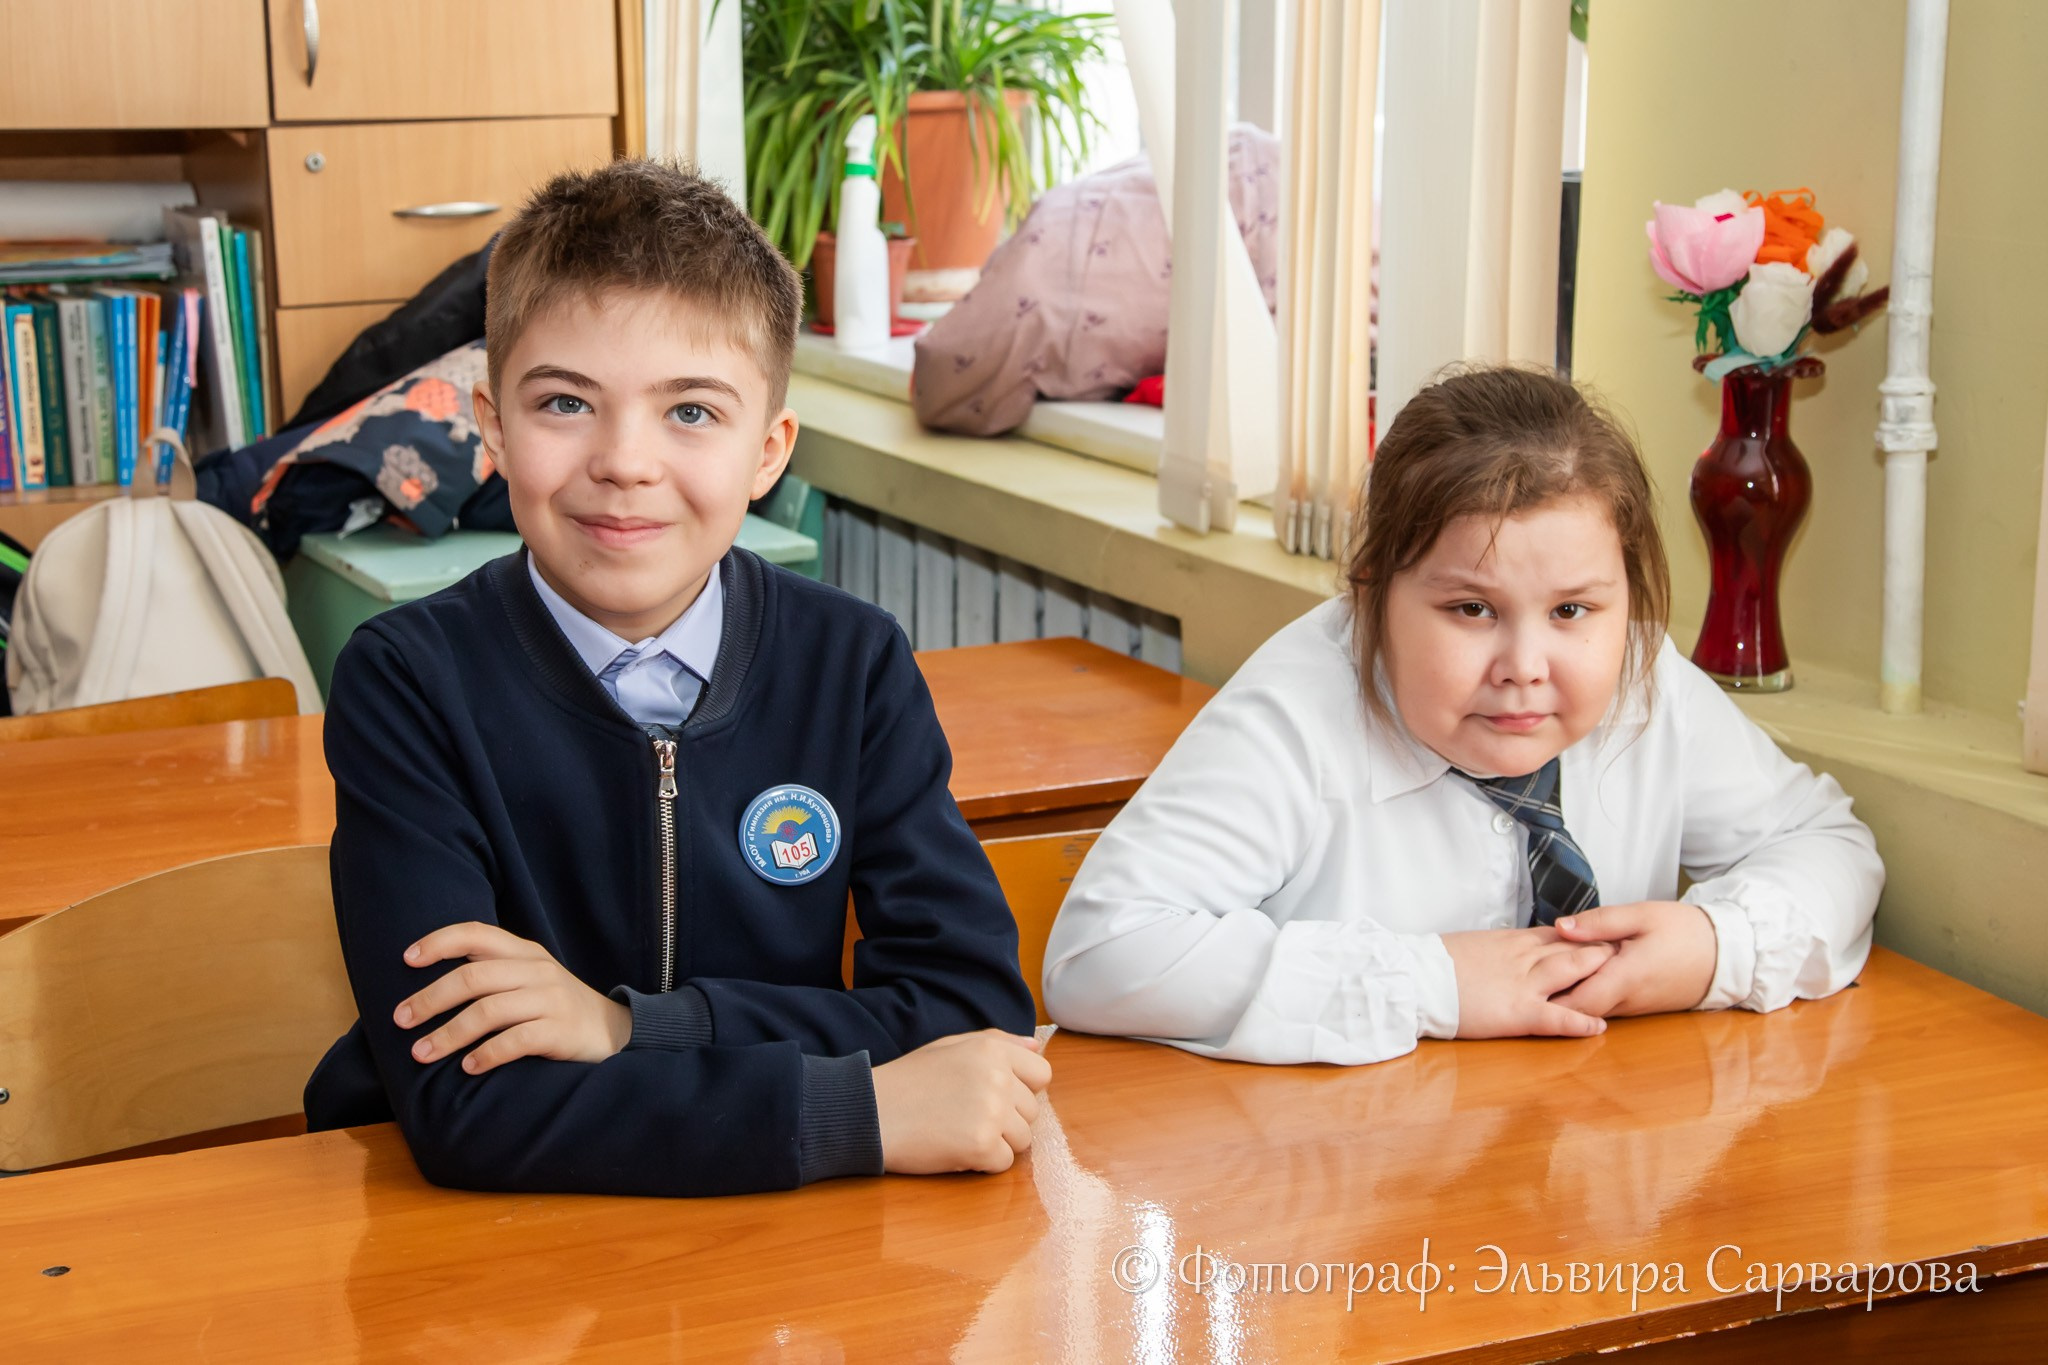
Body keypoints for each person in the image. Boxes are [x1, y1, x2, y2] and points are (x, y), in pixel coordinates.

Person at [304, 160, 1046, 1195]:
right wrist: (853, 1108)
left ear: (767, 452)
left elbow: (969, 1014)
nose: (625, 461)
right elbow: (466, 1107)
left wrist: (629, 1028)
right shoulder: (407, 683)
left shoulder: (853, 663)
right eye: (566, 402)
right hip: (496, 1280)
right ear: (493, 428)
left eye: (690, 413)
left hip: (771, 1254)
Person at [1043, 365, 1882, 1064]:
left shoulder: (1641, 680)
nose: (1525, 668)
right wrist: (1432, 980)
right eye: (1472, 610)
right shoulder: (1294, 718)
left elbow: (1827, 843)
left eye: (1573, 611)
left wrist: (1715, 945)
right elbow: (1098, 954)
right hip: (1345, 1214)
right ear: (1372, 590)